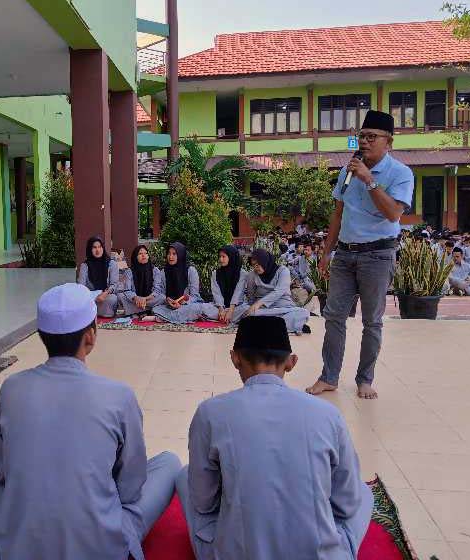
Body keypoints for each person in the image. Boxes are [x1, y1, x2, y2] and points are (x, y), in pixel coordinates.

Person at [0, 283, 181, 560]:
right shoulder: (118, 395)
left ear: (42, 336)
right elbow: (130, 488)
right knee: (169, 463)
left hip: (20, 549)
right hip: (100, 547)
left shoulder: (12, 388)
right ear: (90, 336)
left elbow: (4, 469)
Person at [176, 315, 372, 560]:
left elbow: (203, 502)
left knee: (184, 476)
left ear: (235, 358)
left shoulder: (211, 412)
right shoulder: (327, 414)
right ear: (291, 362)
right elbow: (347, 503)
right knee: (363, 492)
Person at [307, 110, 414, 400]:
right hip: (344, 255)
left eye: (371, 137)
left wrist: (369, 180)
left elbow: (393, 213)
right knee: (334, 317)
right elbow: (338, 213)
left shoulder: (401, 174)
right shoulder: (347, 171)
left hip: (378, 255)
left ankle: (365, 380)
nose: (364, 142)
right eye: (362, 136)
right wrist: (326, 253)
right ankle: (328, 377)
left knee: (372, 322)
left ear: (388, 142)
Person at [244, 248, 310, 334]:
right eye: (253, 265)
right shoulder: (252, 275)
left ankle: (267, 324)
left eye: (258, 265)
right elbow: (250, 295)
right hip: (262, 310)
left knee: (302, 313)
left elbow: (279, 291)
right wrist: (251, 308)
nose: (256, 268)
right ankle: (287, 325)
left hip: (283, 307)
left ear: (265, 261)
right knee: (245, 312)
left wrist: (259, 303)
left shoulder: (283, 271)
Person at [152, 242, 206, 324]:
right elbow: (161, 294)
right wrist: (167, 300)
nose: (170, 257)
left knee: (196, 308)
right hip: (169, 306)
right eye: (169, 253)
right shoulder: (163, 272)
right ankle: (179, 318)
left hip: (187, 305)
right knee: (156, 309)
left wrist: (184, 302)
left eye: (174, 254)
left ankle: (163, 318)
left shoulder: (190, 271)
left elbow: (195, 296)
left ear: (181, 255)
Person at [201, 245, 249, 324]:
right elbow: (216, 293)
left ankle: (220, 317)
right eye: (220, 256)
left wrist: (230, 310)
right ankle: (225, 317)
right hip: (218, 308)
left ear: (232, 257)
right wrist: (221, 309)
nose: (221, 259)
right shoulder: (215, 273)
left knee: (247, 309)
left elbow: (238, 293)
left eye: (223, 256)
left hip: (236, 308)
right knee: (201, 307)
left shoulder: (242, 274)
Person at [77, 236, 119, 317]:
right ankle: (96, 311)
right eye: (94, 247)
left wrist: (105, 293)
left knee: (113, 299)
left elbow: (114, 284)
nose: (97, 250)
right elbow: (81, 286)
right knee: (78, 299)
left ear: (103, 248)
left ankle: (90, 312)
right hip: (90, 297)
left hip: (106, 296)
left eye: (100, 247)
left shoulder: (111, 264)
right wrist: (91, 296)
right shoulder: (85, 265)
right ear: (90, 249)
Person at [118, 244, 163, 317]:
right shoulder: (129, 271)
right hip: (135, 300)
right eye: (140, 254)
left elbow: (157, 290)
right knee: (121, 296)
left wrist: (144, 299)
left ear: (148, 256)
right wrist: (136, 298)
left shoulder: (155, 270)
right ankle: (147, 310)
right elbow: (127, 290)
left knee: (162, 298)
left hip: (149, 299)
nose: (143, 255)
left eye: (145, 253)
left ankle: (137, 311)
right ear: (135, 257)